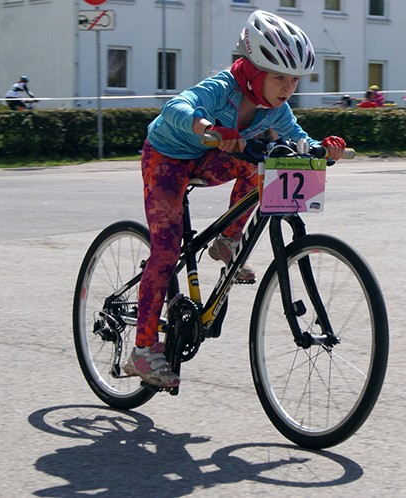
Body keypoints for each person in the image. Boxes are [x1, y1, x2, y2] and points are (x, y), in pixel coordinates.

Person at [123, 9, 346, 388]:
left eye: (293, 80)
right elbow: (174, 108)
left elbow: (295, 136)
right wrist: (207, 126)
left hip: (207, 157)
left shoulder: (275, 106)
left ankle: (227, 240)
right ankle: (143, 351)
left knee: (260, 164)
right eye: (279, 77)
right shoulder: (221, 88)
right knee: (166, 250)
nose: (288, 87)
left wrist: (320, 148)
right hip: (166, 159)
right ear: (253, 70)